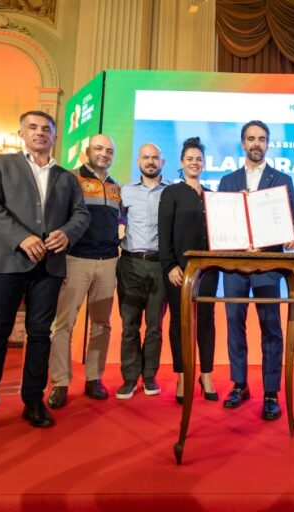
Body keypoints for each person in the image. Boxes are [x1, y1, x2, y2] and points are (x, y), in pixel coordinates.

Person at [0, 110, 89, 444]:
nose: (40, 132)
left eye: (46, 128)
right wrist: (21, 237)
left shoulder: (67, 177)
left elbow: (81, 214)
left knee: (40, 335)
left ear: (55, 136)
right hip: (6, 262)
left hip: (49, 266)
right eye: (33, 127)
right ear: (21, 133)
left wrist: (67, 233)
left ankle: (33, 401)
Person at [218, 120, 294, 421]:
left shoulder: (282, 179)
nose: (256, 143)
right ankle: (239, 384)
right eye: (251, 138)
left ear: (267, 143)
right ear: (243, 143)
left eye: (261, 139)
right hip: (235, 264)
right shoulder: (228, 181)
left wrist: (290, 234)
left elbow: (289, 217)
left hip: (268, 264)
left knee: (270, 326)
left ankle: (271, 392)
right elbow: (221, 220)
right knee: (234, 324)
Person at [46, 134, 122, 408]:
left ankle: (94, 378)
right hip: (76, 260)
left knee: (102, 324)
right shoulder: (71, 179)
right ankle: (60, 382)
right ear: (87, 151)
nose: (104, 154)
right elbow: (58, 219)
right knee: (63, 325)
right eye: (98, 148)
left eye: (109, 150)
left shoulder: (115, 187)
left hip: (109, 261)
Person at [158, 137, 219, 403]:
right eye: (189, 159)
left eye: (199, 159)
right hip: (179, 271)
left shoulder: (213, 196)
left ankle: (206, 374)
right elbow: (164, 235)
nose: (194, 163)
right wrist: (170, 265)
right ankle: (183, 375)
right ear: (182, 163)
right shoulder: (171, 193)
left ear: (204, 163)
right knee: (179, 322)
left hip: (209, 269)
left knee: (206, 321)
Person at [115, 143, 170, 399]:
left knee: (154, 327)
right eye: (146, 157)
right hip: (130, 264)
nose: (150, 161)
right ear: (138, 161)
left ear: (162, 162)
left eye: (155, 158)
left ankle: (149, 376)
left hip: (160, 265)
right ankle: (129, 378)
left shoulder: (171, 192)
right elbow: (113, 220)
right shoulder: (124, 191)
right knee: (129, 325)